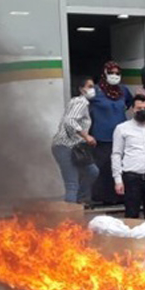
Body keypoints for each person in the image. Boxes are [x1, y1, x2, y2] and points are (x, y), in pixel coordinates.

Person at [90, 61, 134, 204]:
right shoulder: (95, 91)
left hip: (121, 137)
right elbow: (82, 108)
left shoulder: (123, 90)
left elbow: (129, 103)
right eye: (111, 73)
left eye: (117, 73)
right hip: (102, 138)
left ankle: (120, 197)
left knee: (120, 167)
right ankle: (102, 198)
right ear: (104, 73)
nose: (114, 76)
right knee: (103, 169)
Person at [52, 77, 99, 205]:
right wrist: (86, 136)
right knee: (72, 183)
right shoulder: (80, 102)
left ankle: (80, 199)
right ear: (81, 89)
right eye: (89, 86)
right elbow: (70, 121)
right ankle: (70, 217)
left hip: (76, 147)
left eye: (93, 86)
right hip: (65, 146)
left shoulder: (79, 102)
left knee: (92, 171)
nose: (92, 89)